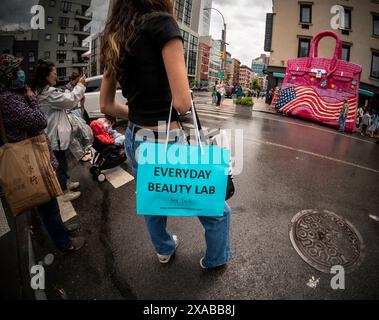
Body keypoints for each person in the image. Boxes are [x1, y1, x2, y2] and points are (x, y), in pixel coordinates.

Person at [100, 0, 231, 269]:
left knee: (152, 197)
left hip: (135, 138)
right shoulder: (162, 24)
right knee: (214, 204)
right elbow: (182, 103)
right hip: (164, 139)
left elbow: (106, 105)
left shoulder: (115, 36)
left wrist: (139, 112)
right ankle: (217, 258)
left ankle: (164, 248)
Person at [0, 54, 85, 254]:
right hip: (29, 157)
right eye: (17, 70)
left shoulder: (15, 96)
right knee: (47, 205)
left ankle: (62, 230)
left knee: (50, 201)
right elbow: (39, 120)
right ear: (10, 76)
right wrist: (31, 99)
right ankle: (64, 243)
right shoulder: (8, 101)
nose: (22, 73)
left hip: (37, 154)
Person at [33, 60, 86, 202]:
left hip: (53, 133)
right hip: (54, 136)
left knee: (62, 161)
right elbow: (70, 99)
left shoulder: (43, 92)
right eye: (55, 73)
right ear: (46, 76)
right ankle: (64, 191)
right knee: (60, 164)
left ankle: (66, 183)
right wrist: (80, 85)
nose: (57, 76)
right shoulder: (50, 94)